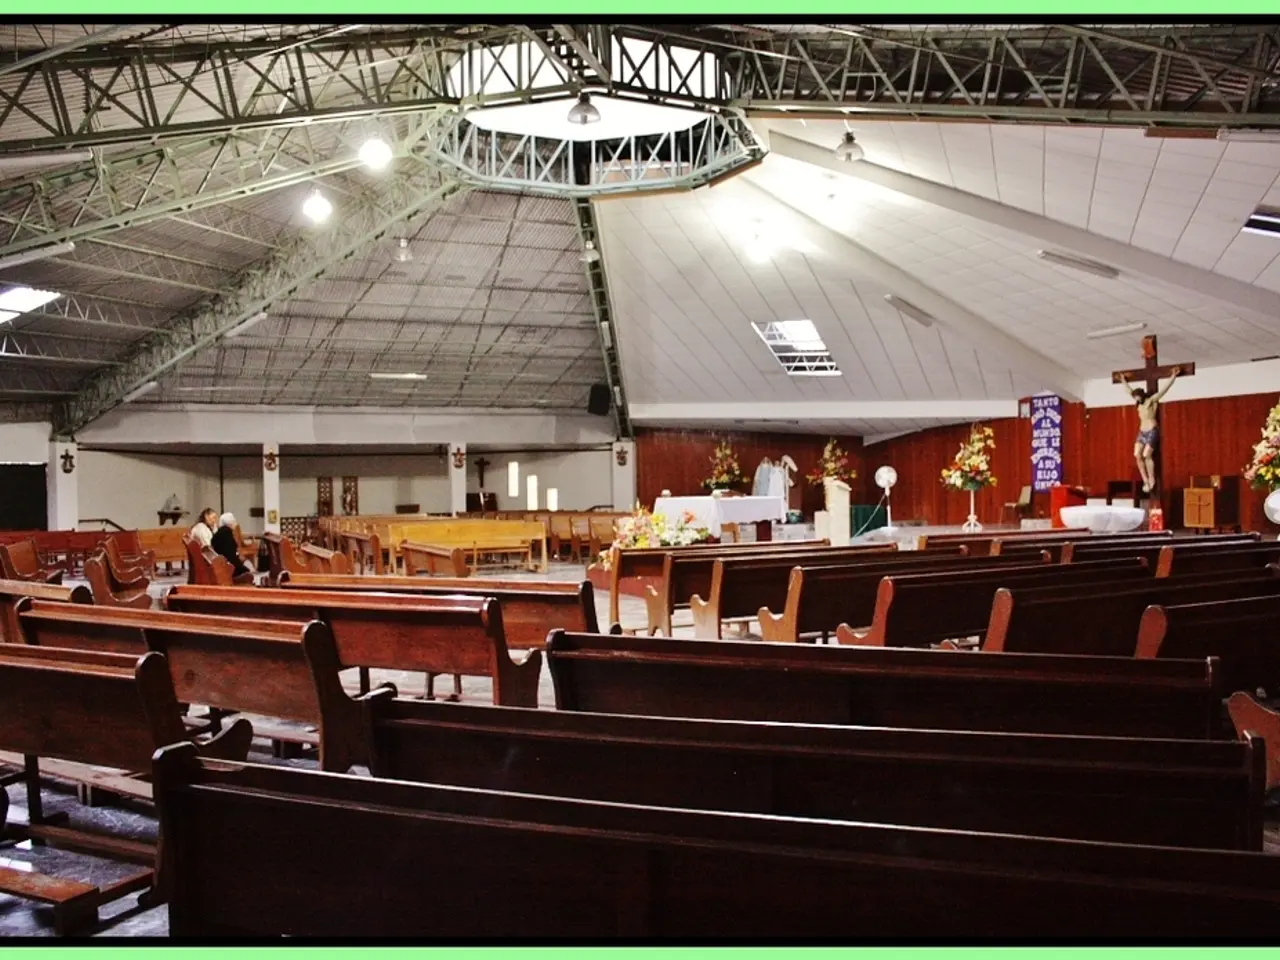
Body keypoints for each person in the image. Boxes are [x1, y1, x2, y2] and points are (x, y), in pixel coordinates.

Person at [1121, 368, 1180, 493]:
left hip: (1152, 431)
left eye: (1137, 397)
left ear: (1141, 396)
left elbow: (1164, 390)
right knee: (1137, 454)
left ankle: (1152, 479)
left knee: (1146, 455)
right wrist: (1122, 380)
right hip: (1142, 432)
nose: (1136, 399)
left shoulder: (1151, 400)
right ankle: (1145, 480)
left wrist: (1173, 376)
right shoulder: (1138, 403)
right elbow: (1128, 390)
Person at [211, 512, 253, 582]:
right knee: (249, 574)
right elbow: (231, 556)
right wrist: (243, 569)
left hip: (223, 564)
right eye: (234, 521)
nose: (235, 523)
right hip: (229, 568)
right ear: (230, 523)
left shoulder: (220, 533)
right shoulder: (226, 534)